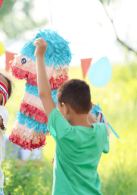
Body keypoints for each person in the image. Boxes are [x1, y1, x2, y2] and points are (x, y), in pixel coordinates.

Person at [34, 38, 109, 195]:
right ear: (89, 106)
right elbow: (89, 115)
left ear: (65, 108)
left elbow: (44, 95)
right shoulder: (101, 131)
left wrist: (39, 56)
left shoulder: (64, 133)